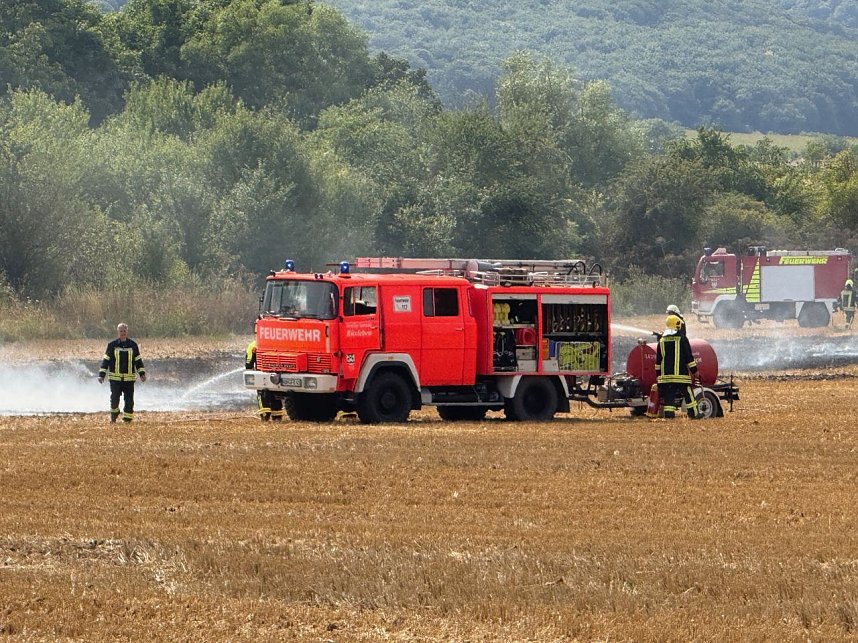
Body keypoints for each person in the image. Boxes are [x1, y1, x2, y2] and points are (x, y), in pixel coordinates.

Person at [98, 323, 146, 423]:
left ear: (127, 331)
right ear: (118, 332)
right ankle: (114, 416)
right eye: (121, 331)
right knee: (114, 400)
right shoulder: (112, 345)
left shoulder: (133, 345)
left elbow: (138, 360)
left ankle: (127, 419)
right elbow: (106, 360)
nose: (123, 333)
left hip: (129, 379)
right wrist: (102, 375)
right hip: (115, 380)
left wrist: (142, 373)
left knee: (129, 401)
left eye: (124, 331)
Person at [655, 314, 701, 419]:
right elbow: (689, 357)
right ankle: (694, 414)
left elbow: (658, 361)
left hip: (665, 377)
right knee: (688, 394)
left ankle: (669, 416)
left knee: (669, 397)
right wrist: (695, 372)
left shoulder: (661, 341)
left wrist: (658, 375)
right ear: (677, 325)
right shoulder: (682, 339)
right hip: (681, 376)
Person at [245, 339, 284, 422]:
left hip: (261, 374)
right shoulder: (277, 342)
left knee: (262, 393)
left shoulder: (253, 345)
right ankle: (277, 417)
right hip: (277, 374)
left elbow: (248, 364)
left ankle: (264, 416)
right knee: (276, 393)